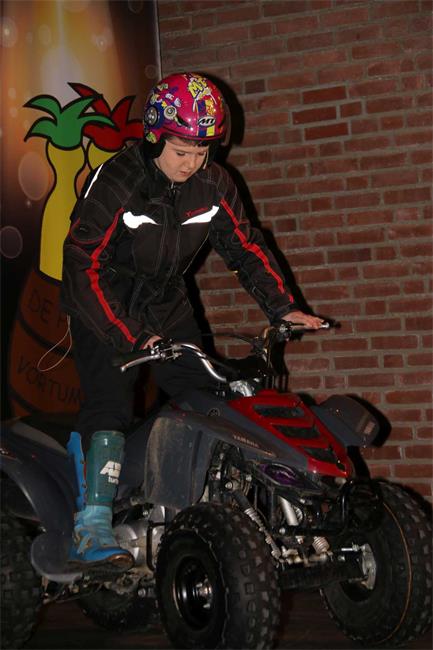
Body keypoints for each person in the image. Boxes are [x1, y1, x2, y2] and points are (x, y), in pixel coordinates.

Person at [61, 72, 323, 569]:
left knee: (205, 394)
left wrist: (282, 307)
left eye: (202, 151)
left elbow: (245, 247)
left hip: (166, 301)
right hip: (104, 301)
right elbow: (81, 263)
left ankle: (179, 500)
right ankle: (91, 524)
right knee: (110, 403)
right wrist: (130, 336)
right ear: (154, 137)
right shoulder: (119, 180)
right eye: (181, 151)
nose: (192, 163)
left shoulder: (213, 183)